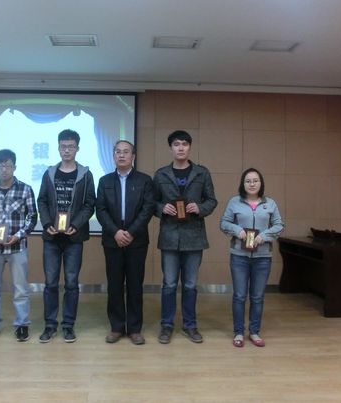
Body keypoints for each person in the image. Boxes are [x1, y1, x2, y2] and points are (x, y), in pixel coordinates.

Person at [152, 130, 217, 344]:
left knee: (190, 285)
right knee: (169, 284)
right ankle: (167, 325)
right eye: (176, 144)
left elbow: (212, 201)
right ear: (170, 148)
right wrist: (162, 208)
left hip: (194, 236)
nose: (180, 148)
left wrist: (200, 208)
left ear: (190, 147)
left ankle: (190, 325)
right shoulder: (161, 174)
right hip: (170, 236)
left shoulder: (201, 173)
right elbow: (151, 202)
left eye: (184, 144)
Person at [37, 129, 95, 343]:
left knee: (71, 283)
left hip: (74, 238)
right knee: (50, 283)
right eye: (63, 146)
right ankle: (50, 325)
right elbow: (42, 200)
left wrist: (76, 225)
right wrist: (46, 224)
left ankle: (68, 326)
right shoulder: (49, 173)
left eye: (71, 146)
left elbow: (90, 204)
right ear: (58, 148)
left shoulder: (86, 174)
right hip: (52, 238)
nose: (67, 150)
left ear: (77, 148)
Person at [96, 140, 155, 345]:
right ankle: (117, 327)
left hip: (136, 240)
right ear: (113, 156)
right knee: (114, 285)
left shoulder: (144, 180)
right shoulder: (104, 181)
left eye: (126, 152)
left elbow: (147, 209)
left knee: (135, 285)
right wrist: (115, 232)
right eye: (118, 152)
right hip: (112, 240)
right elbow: (100, 210)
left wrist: (130, 232)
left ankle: (135, 329)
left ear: (133, 157)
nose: (121, 155)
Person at [0, 149, 38, 342]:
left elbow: (32, 217)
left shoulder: (25, 189)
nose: (4, 169)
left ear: (14, 167)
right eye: (0, 166)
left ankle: (22, 325)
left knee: (20, 289)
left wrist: (18, 236)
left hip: (17, 247)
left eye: (8, 165)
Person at [220, 167, 284, 348]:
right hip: (239, 257)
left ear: (261, 183)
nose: (252, 184)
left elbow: (279, 225)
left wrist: (265, 236)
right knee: (240, 295)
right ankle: (238, 332)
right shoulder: (235, 202)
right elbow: (224, 223)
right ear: (243, 184)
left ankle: (254, 332)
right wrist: (237, 230)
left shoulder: (270, 203)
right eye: (248, 181)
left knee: (257, 297)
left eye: (255, 180)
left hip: (263, 257)